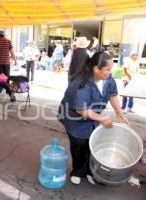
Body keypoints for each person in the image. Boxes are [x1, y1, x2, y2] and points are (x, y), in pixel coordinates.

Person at [57, 52, 129, 185]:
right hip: (73, 118)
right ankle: (78, 172)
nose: (110, 72)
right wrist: (101, 118)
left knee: (91, 143)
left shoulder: (107, 78)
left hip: (92, 115)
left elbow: (113, 94)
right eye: (107, 69)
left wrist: (119, 113)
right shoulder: (81, 82)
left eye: (110, 69)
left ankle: (90, 171)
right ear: (96, 69)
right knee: (79, 144)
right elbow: (81, 110)